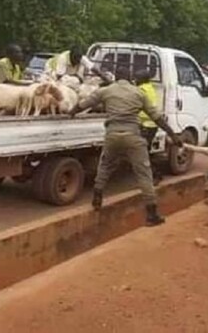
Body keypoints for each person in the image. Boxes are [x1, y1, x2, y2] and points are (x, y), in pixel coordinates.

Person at [68, 63, 183, 227]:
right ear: (130, 78)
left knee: (105, 165)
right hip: (133, 136)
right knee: (144, 173)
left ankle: (97, 198)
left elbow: (84, 104)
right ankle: (151, 214)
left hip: (112, 135)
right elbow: (157, 117)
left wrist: (70, 113)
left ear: (116, 77)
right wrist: (173, 136)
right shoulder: (139, 93)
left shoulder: (106, 90)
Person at [136, 68, 162, 184]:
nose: (135, 80)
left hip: (146, 125)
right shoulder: (150, 88)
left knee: (143, 154)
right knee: (145, 152)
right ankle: (155, 174)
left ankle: (155, 175)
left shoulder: (142, 89)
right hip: (151, 125)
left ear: (142, 79)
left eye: (137, 78)